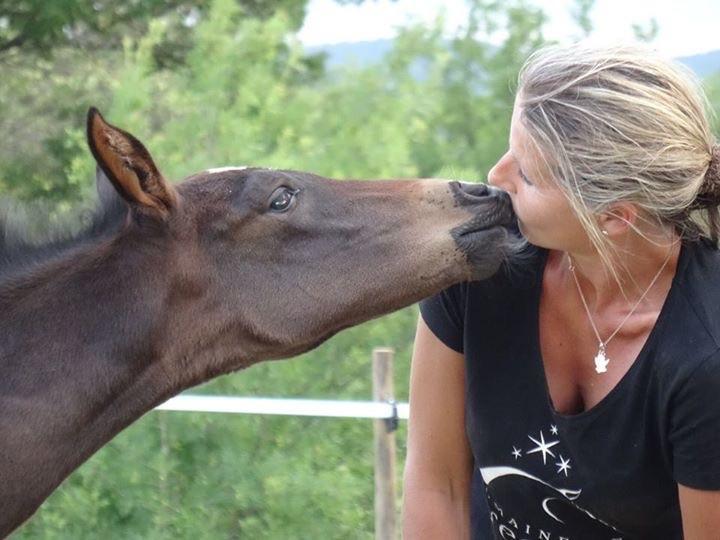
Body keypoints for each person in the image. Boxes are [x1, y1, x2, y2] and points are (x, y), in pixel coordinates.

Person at [402, 44, 720, 539]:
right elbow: (435, 484)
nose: (495, 177)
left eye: (527, 175)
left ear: (614, 217)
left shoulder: (706, 357)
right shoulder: (475, 266)